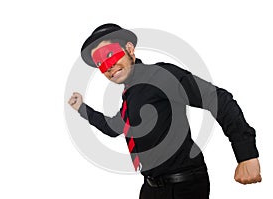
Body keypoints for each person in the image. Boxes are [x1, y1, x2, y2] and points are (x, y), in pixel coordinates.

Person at [68, 23, 262, 199]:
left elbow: (216, 98)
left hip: (183, 187)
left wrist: (246, 154)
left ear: (129, 49)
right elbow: (114, 127)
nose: (108, 66)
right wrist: (82, 108)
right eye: (100, 64)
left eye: (110, 55)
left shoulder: (160, 75)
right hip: (152, 187)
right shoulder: (131, 95)